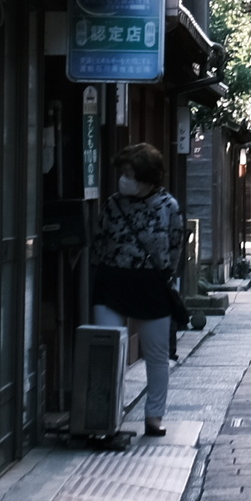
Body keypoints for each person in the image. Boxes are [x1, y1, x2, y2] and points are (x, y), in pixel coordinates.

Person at [90, 142, 184, 436]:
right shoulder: (113, 203)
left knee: (156, 355)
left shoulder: (168, 206)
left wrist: (166, 273)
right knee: (107, 351)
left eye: (130, 174)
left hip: (150, 284)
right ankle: (107, 415)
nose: (124, 179)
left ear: (147, 176)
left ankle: (154, 416)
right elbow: (100, 238)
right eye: (123, 173)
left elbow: (175, 245)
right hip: (112, 280)